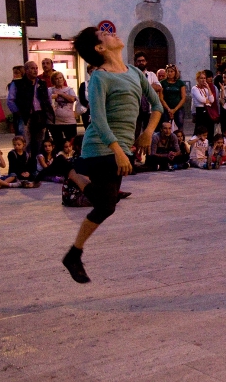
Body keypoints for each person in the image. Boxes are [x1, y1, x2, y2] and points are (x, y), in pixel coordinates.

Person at [61, 27, 162, 284]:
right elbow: (99, 119)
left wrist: (148, 132)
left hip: (122, 148)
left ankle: (73, 173)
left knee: (106, 204)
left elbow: (157, 106)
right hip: (99, 146)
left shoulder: (135, 72)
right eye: (102, 33)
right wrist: (117, 151)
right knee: (106, 205)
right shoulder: (99, 78)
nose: (110, 32)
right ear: (99, 48)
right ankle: (74, 254)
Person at [7, 60, 54, 156]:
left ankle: (37, 163)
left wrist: (48, 112)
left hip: (39, 115)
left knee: (39, 141)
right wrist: (18, 113)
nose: (35, 70)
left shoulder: (42, 83)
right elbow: (10, 100)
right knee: (25, 140)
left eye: (36, 68)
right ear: (26, 70)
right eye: (32, 68)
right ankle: (25, 162)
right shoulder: (18, 83)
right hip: (24, 115)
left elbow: (48, 99)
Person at [133, 51, 163, 138]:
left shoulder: (151, 75)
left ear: (146, 62)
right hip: (136, 108)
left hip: (149, 109)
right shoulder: (132, 75)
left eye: (143, 60)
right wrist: (150, 87)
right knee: (135, 133)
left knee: (149, 134)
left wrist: (142, 87)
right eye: (139, 61)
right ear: (136, 63)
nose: (141, 62)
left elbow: (158, 87)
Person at [48, 71, 78, 152]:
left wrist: (61, 94)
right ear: (53, 80)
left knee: (71, 142)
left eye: (60, 78)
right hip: (54, 122)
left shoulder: (69, 89)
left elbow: (72, 99)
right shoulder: (50, 90)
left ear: (63, 79)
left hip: (69, 121)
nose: (59, 80)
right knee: (57, 143)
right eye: (56, 78)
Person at [160, 64, 187, 131]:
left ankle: (180, 140)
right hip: (166, 108)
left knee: (180, 125)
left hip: (178, 108)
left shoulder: (180, 83)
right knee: (165, 125)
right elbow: (161, 98)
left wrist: (175, 109)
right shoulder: (162, 83)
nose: (170, 73)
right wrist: (169, 109)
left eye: (171, 71)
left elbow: (183, 97)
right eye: (168, 71)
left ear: (175, 72)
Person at [191, 71, 216, 139]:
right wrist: (206, 101)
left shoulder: (205, 89)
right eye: (201, 78)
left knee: (209, 130)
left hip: (208, 111)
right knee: (199, 130)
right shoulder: (194, 88)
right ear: (197, 79)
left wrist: (208, 87)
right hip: (200, 111)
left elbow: (212, 100)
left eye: (204, 78)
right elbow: (201, 99)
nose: (203, 80)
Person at [78, 65, 96, 129]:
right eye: (91, 71)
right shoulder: (84, 84)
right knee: (88, 128)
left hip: (99, 110)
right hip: (87, 111)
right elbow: (81, 98)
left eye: (95, 71)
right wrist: (89, 105)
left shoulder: (102, 83)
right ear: (88, 72)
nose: (93, 73)